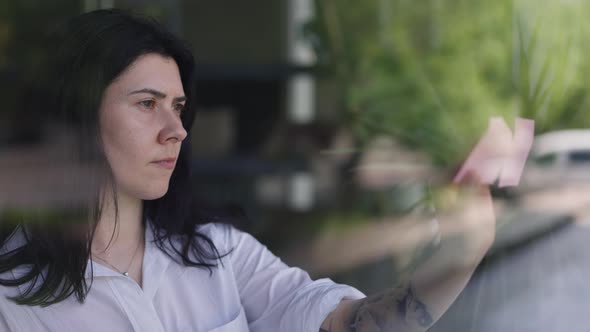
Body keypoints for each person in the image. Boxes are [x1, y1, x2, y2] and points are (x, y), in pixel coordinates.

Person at [0, 9, 505, 332]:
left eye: (178, 107)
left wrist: (460, 255)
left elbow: (352, 326)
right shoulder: (12, 300)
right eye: (147, 103)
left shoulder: (216, 250)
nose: (175, 129)